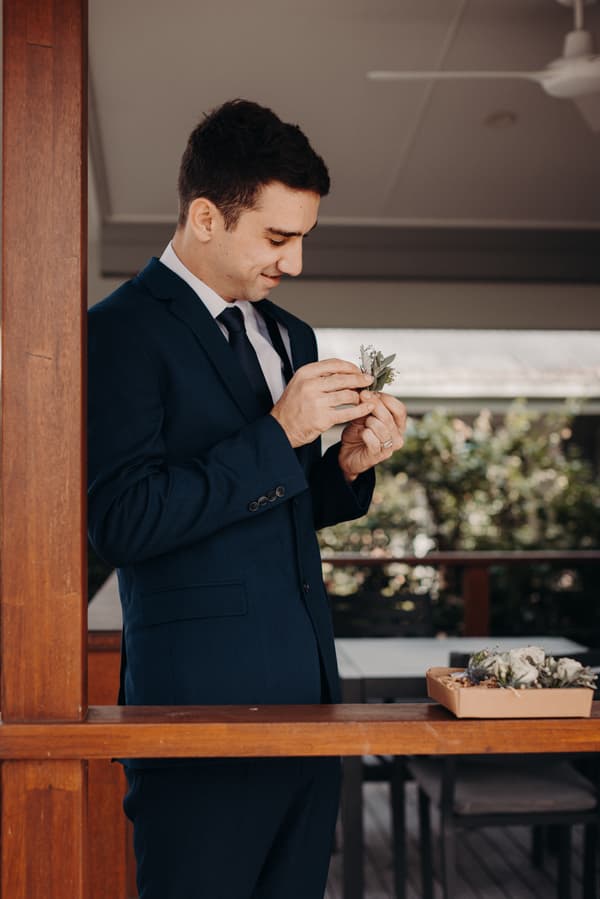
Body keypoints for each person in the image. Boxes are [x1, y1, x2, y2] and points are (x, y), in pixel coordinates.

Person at [87, 98, 406, 899]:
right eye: (277, 237)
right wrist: (279, 430)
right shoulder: (117, 332)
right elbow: (121, 519)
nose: (293, 263)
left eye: (302, 238)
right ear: (204, 216)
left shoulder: (289, 335)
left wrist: (344, 467)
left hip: (310, 707)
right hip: (196, 715)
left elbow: (277, 508)